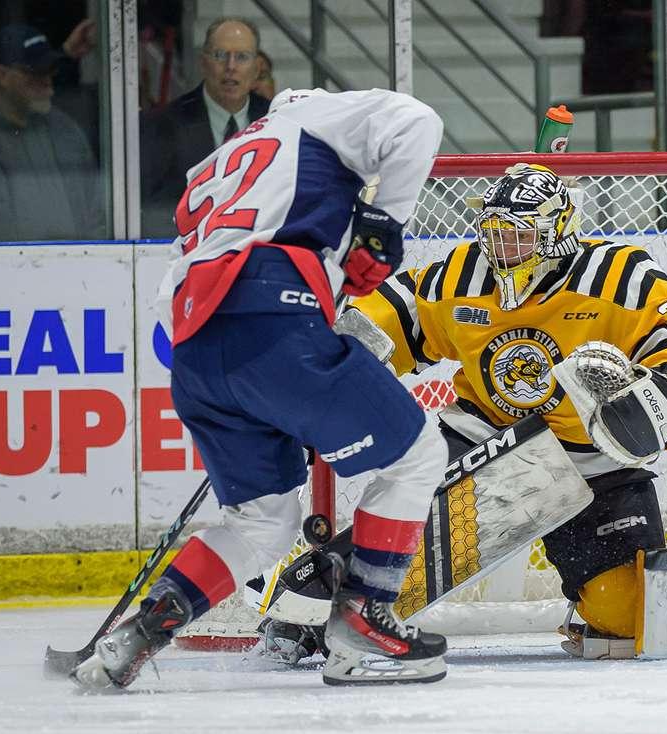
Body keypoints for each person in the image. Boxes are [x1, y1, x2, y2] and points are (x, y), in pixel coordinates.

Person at [71, 87, 447, 691]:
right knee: (418, 456)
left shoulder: (210, 171)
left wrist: (261, 370)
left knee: (261, 524)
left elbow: (177, 298)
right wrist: (382, 223)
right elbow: (417, 118)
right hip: (276, 320)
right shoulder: (315, 116)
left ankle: (137, 634)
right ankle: (362, 617)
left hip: (196, 356)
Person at [340, 163, 667, 656]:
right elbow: (399, 315)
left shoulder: (622, 277)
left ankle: (591, 608)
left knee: (632, 620)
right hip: (486, 443)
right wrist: (351, 343)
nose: (501, 249)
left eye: (518, 236)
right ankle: (319, 606)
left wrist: (654, 408)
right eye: (495, 234)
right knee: (385, 567)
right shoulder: (463, 272)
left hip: (595, 462)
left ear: (556, 234)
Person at [0, 23, 103, 242]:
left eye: (51, 69)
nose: (47, 81)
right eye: (35, 71)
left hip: (75, 271)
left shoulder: (66, 131)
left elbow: (97, 217)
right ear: (2, 75)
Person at [140, 17, 271, 236]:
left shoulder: (275, 119)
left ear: (257, 68)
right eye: (220, 55)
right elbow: (154, 210)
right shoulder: (164, 124)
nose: (231, 67)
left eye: (242, 57)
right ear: (203, 62)